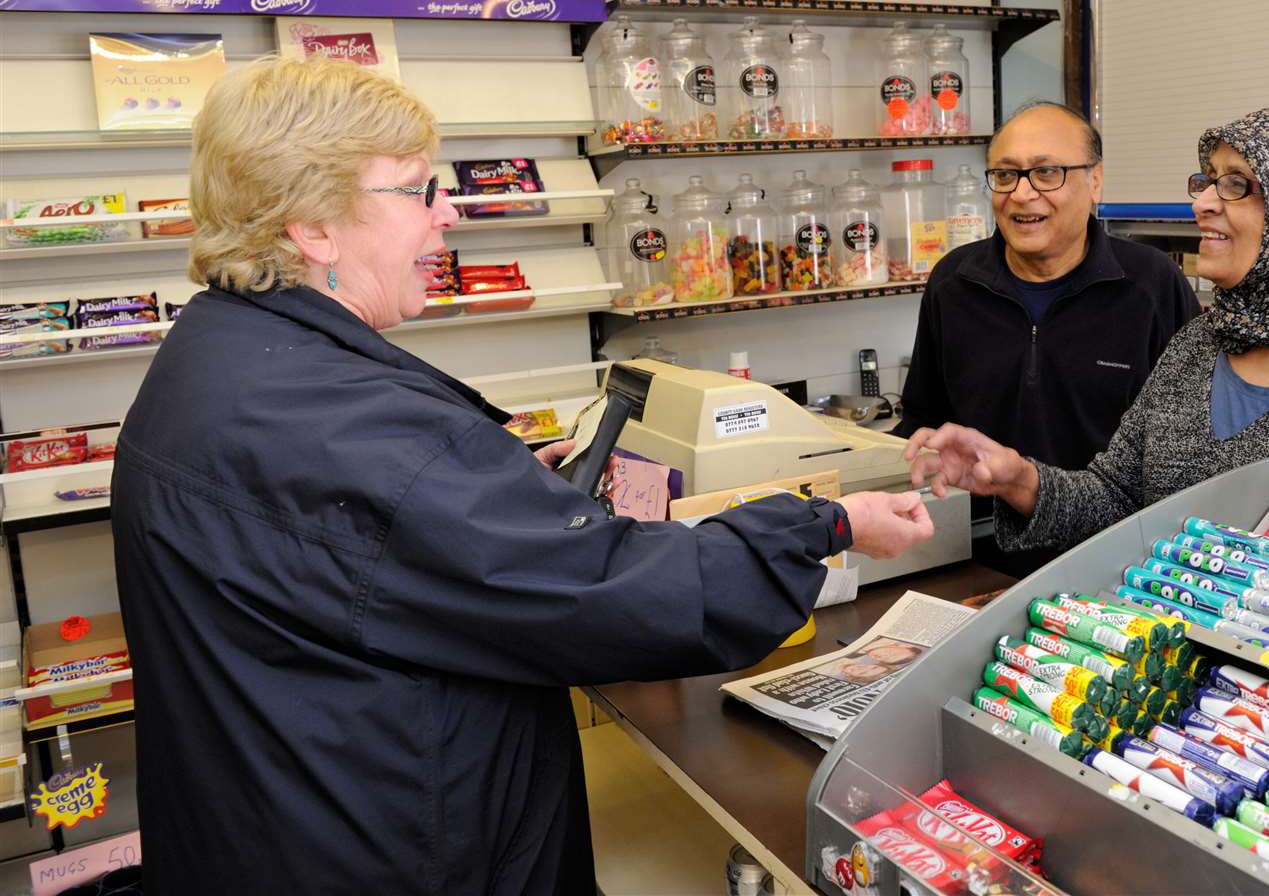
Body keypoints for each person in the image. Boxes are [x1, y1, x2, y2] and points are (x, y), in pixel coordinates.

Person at [110, 57, 934, 895]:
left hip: (273, 830)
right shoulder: (349, 426)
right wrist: (824, 523)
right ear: (313, 226)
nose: (446, 214)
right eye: (416, 189)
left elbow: (359, 551)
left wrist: (492, 492)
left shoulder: (219, 354)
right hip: (390, 851)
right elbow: (619, 599)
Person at [904, 105, 1269, 558]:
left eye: (1237, 185)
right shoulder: (1200, 348)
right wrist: (1018, 477)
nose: (1204, 202)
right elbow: (1117, 500)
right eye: (1207, 180)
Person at [894, 100, 1198, 571]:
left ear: (1094, 180)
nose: (1022, 194)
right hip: (978, 561)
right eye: (1006, 174)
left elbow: (1186, 446)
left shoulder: (1152, 285)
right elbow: (922, 417)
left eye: (1046, 173)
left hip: (1117, 560)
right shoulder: (954, 281)